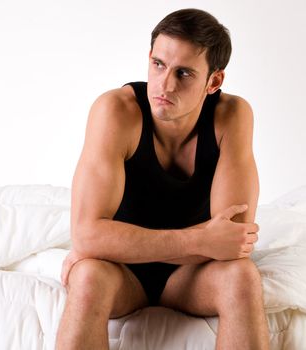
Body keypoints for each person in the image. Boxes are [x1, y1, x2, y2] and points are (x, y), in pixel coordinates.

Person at [56, 8, 270, 350]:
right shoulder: (116, 111)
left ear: (213, 82)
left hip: (191, 278)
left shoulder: (232, 117)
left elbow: (233, 240)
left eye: (184, 73)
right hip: (121, 271)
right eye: (159, 64)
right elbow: (87, 236)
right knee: (88, 277)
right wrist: (201, 241)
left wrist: (115, 238)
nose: (165, 84)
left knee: (242, 278)